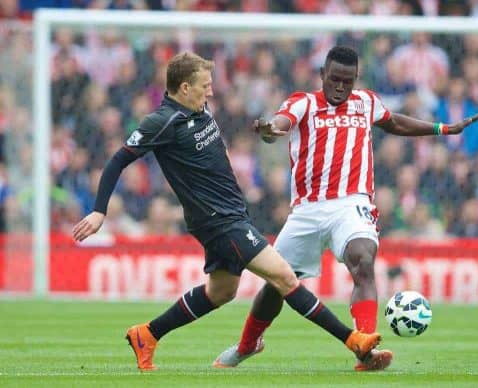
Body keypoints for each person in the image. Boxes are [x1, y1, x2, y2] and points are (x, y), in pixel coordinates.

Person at [72, 52, 383, 371]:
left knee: (221, 292)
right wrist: (99, 212)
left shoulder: (198, 108)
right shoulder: (162, 121)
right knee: (284, 277)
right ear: (183, 88)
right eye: (204, 85)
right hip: (218, 220)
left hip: (231, 214)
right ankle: (353, 341)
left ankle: (147, 335)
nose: (210, 91)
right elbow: (116, 161)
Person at [214, 46, 478, 371]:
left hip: (351, 203)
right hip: (307, 210)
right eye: (334, 80)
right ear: (322, 76)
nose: (341, 87)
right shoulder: (303, 102)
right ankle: (248, 345)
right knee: (276, 285)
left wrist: (442, 129)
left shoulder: (366, 102)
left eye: (348, 81)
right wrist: (270, 131)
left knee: (363, 261)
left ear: (355, 79)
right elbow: (281, 124)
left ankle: (366, 347)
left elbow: (394, 122)